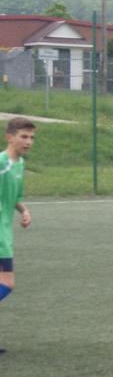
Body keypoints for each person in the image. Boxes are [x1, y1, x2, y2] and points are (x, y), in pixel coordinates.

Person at [0, 117, 35, 355]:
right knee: (7, 283)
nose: (28, 141)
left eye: (32, 137)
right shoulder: (1, 162)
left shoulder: (19, 164)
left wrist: (23, 210)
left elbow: (14, 196)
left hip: (4, 231)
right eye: (23, 136)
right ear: (9, 137)